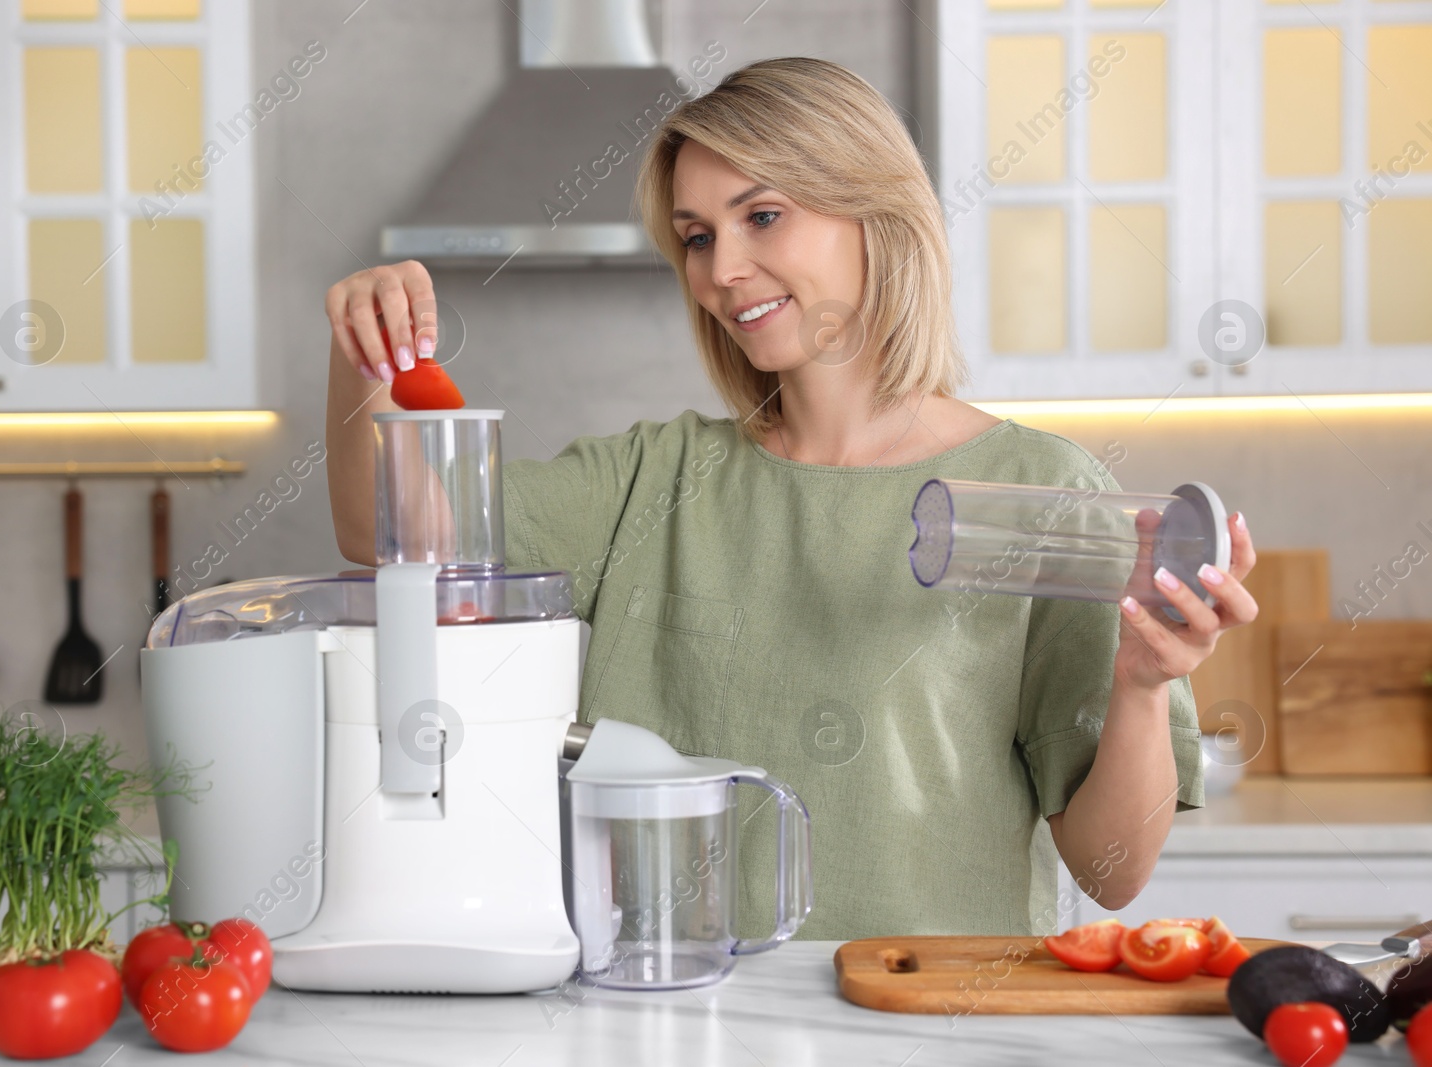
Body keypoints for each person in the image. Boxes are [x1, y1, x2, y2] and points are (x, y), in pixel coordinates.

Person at [324, 57, 1259, 940]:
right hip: (675, 1018)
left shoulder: (1045, 494)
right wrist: (365, 347)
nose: (720, 270)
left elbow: (1111, 870)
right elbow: (389, 534)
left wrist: (1144, 684)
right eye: (697, 236)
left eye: (761, 216)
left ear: (874, 214)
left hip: (931, 1025)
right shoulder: (652, 481)